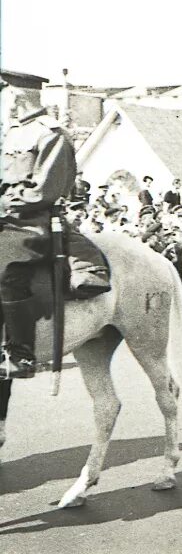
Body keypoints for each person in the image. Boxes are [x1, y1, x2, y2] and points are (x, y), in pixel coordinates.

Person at [0, 85, 109, 378]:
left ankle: (20, 353)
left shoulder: (52, 134)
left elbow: (44, 191)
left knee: (6, 268)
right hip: (6, 217)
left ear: (15, 95)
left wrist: (3, 202)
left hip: (32, 221)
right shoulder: (11, 132)